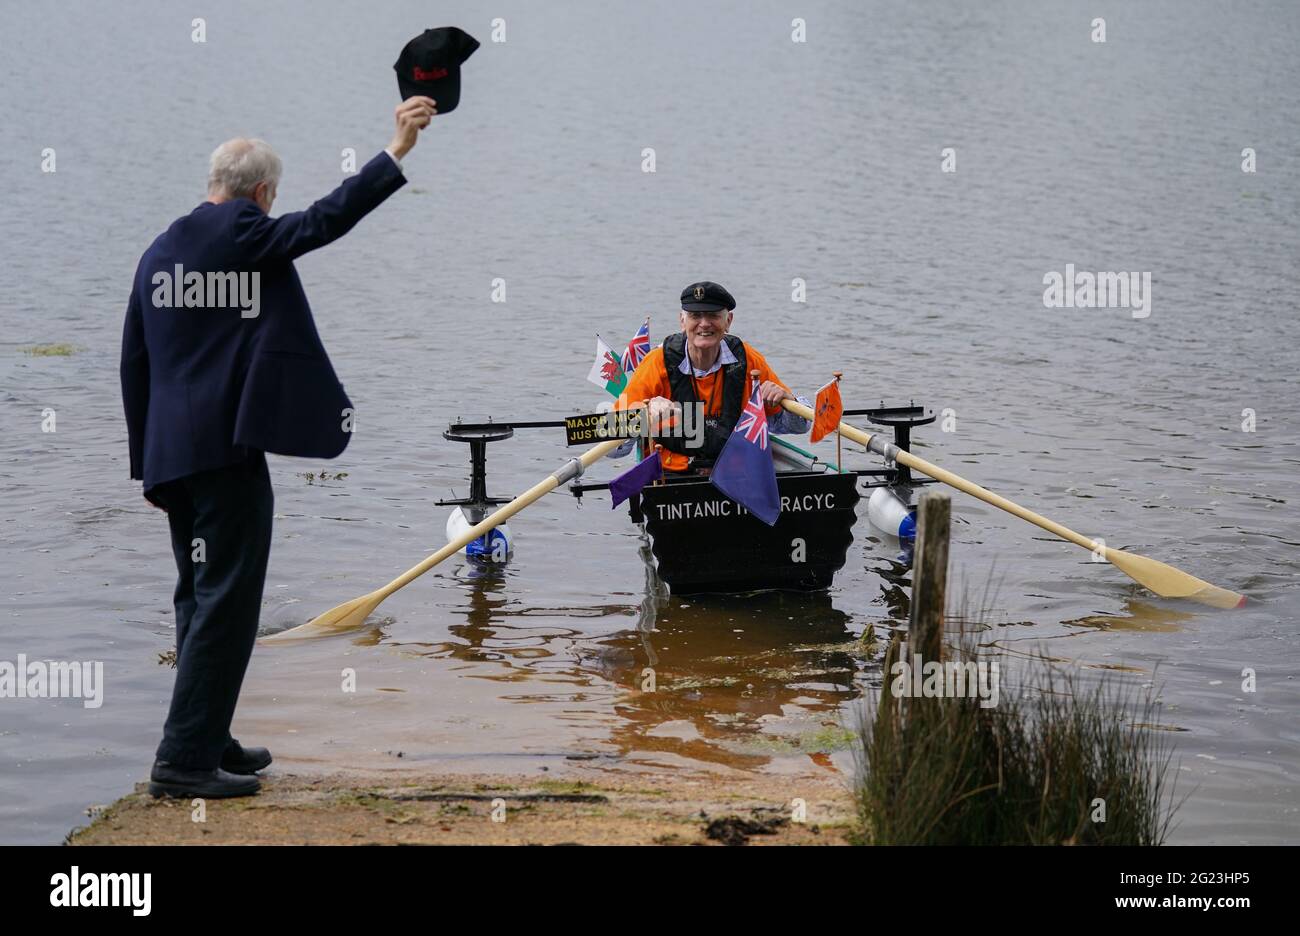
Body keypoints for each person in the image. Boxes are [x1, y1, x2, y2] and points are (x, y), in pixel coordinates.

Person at [119, 96, 438, 799]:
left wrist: (146, 463)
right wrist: (396, 151)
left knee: (200, 599)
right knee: (228, 601)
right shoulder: (242, 229)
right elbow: (323, 221)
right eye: (272, 199)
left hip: (174, 457)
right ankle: (183, 762)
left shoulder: (160, 248)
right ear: (261, 193)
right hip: (223, 456)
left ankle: (208, 735)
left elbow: (133, 360)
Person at [615, 281, 811, 473]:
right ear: (682, 321)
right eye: (695, 316)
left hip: (735, 477)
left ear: (728, 321)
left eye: (713, 315)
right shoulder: (656, 363)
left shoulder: (749, 361)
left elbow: (799, 425)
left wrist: (788, 399)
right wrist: (642, 415)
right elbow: (613, 447)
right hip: (670, 479)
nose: (704, 324)